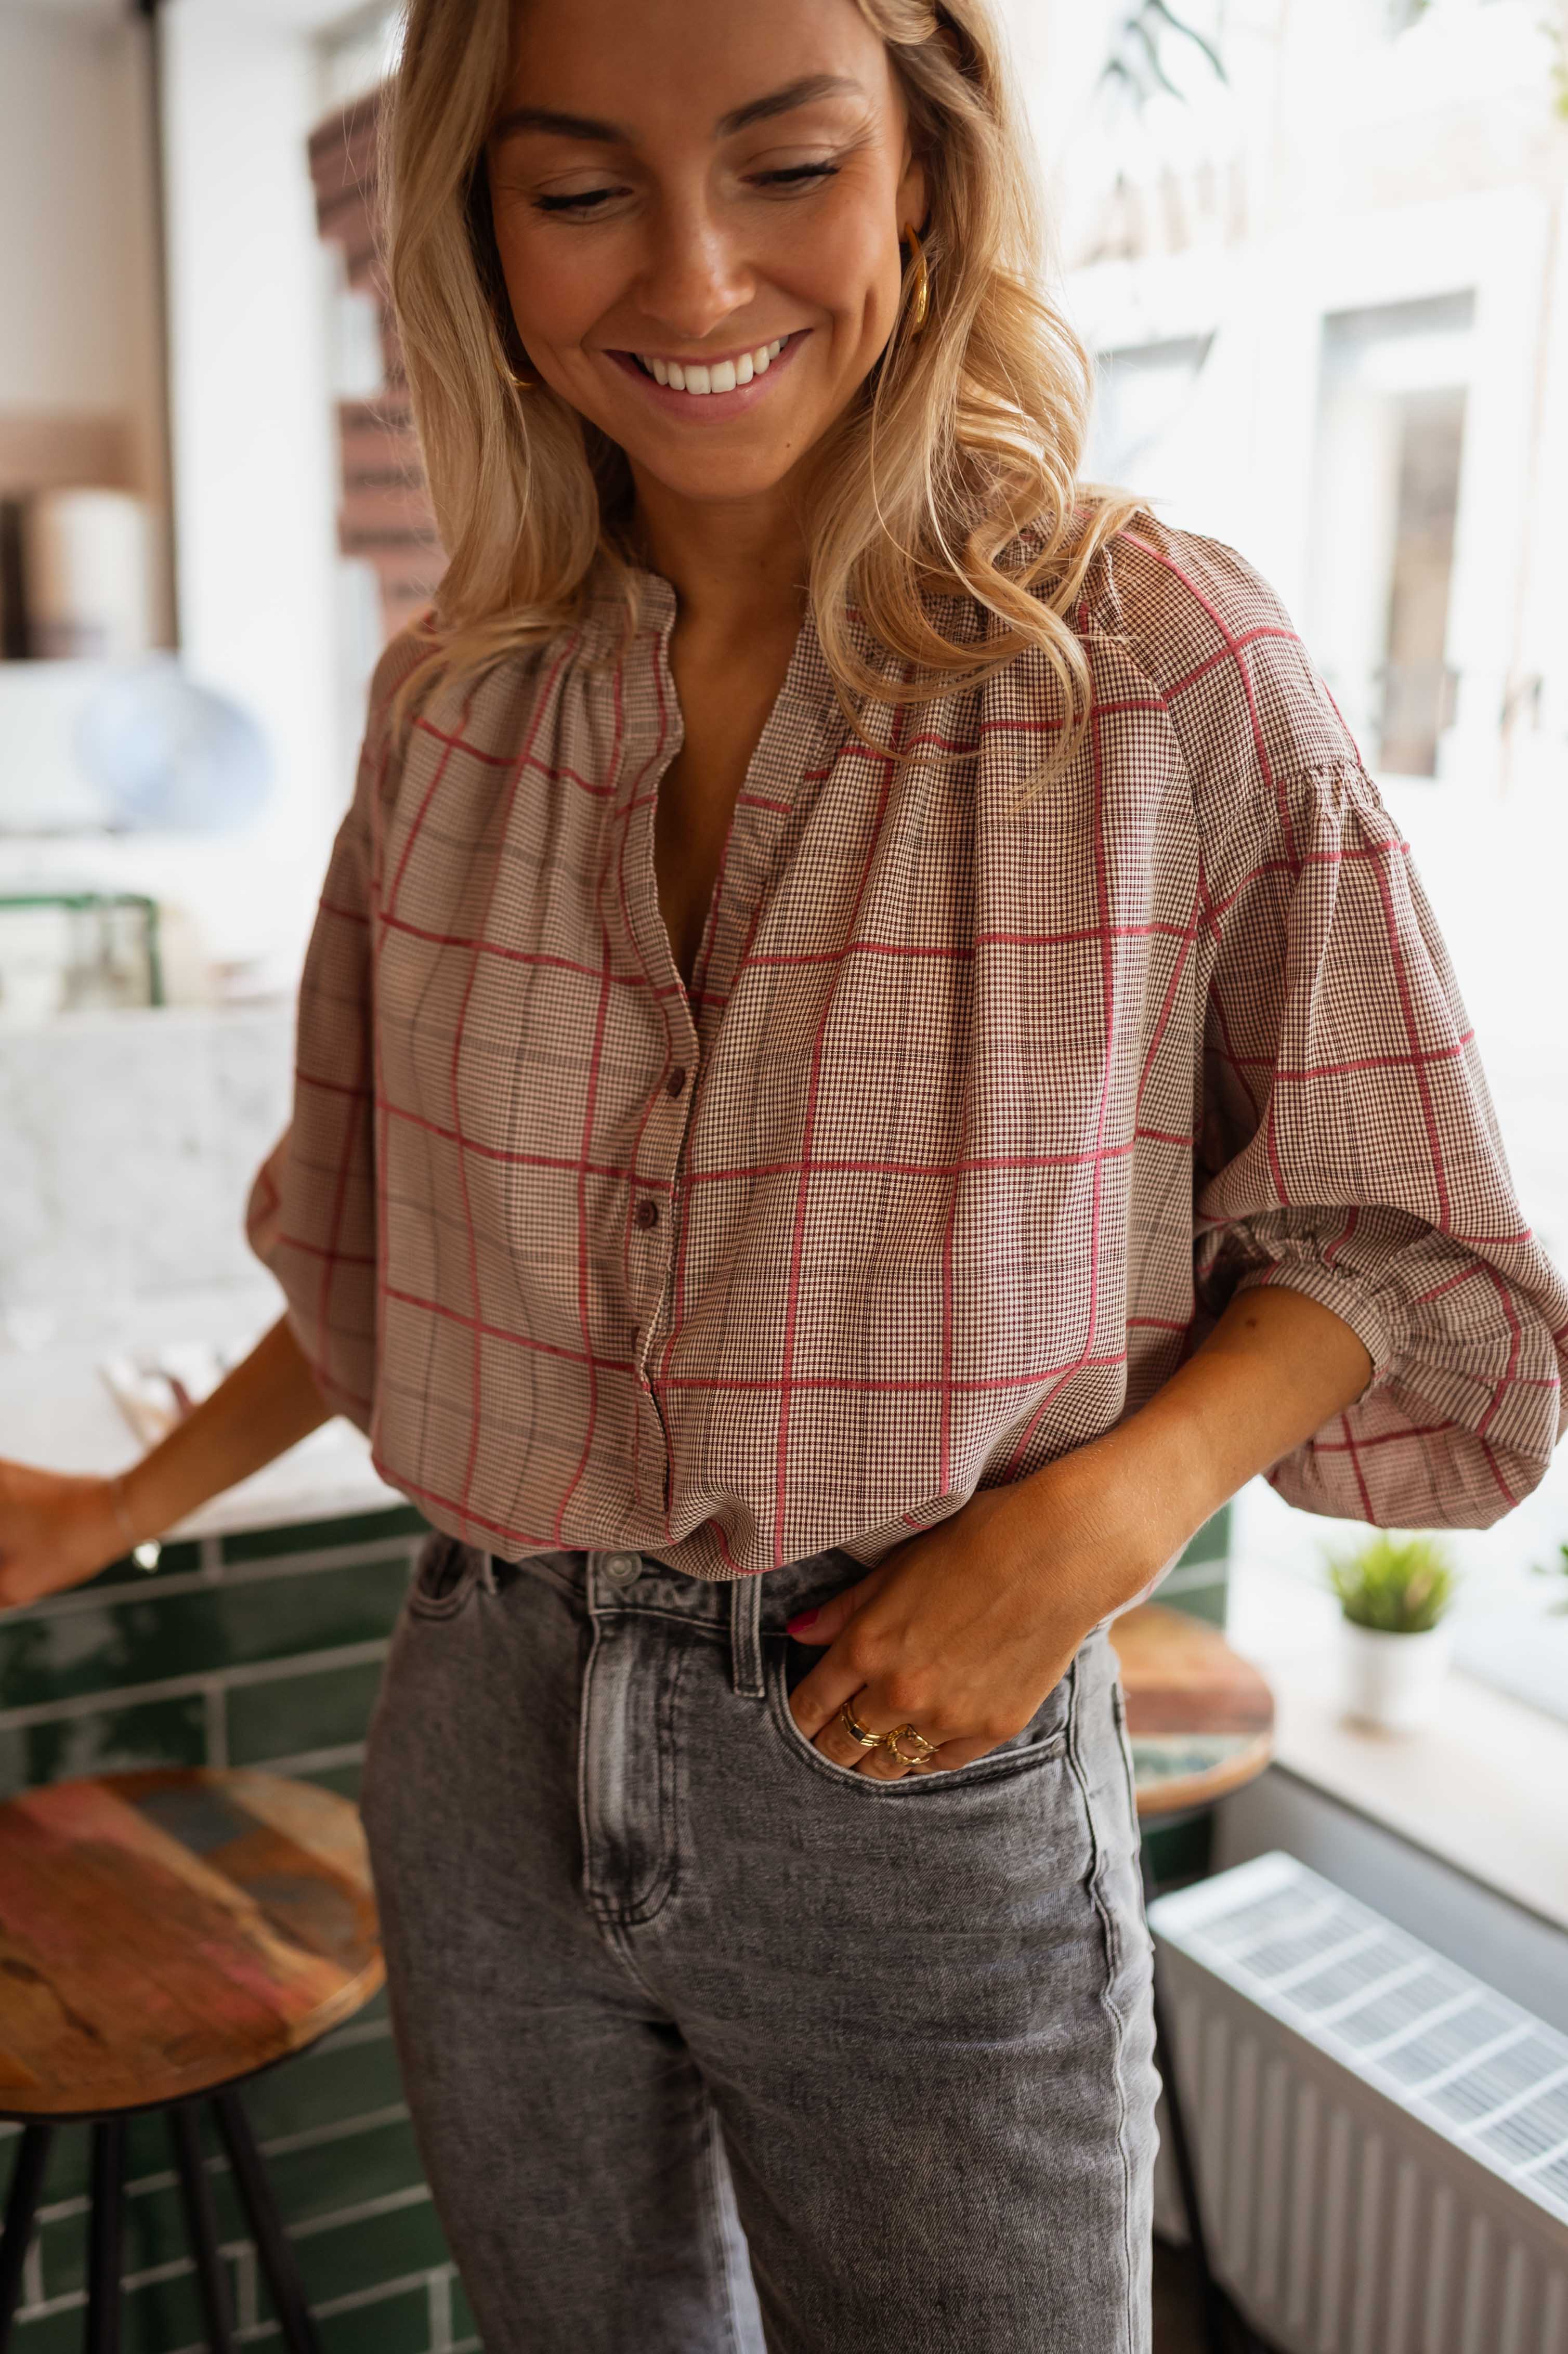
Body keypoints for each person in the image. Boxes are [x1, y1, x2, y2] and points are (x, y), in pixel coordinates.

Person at [3, 0, 1565, 2346]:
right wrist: (107, 1502)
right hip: (481, 1733)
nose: (695, 279)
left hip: (912, 1760)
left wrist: (1090, 1524)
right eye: (580, 191)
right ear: (480, 234)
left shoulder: (1159, 670)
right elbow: (389, 1250)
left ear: (924, 170)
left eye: (785, 167)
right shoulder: (454, 703)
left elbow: (1402, 1241)